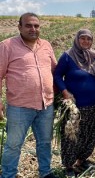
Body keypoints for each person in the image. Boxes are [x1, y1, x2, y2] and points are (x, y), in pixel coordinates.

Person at [0, 12, 57, 178]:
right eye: (29, 25)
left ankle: (45, 172)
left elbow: (55, 70)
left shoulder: (46, 45)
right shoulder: (7, 46)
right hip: (19, 107)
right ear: (19, 27)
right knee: (13, 144)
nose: (33, 29)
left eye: (36, 26)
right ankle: (8, 174)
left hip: (46, 105)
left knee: (45, 142)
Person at [53, 29, 95, 177]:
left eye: (89, 39)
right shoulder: (68, 56)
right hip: (75, 105)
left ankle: (82, 159)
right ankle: (69, 165)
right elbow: (57, 75)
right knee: (71, 136)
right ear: (77, 39)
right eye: (83, 38)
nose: (86, 41)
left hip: (94, 104)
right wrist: (65, 92)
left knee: (89, 133)